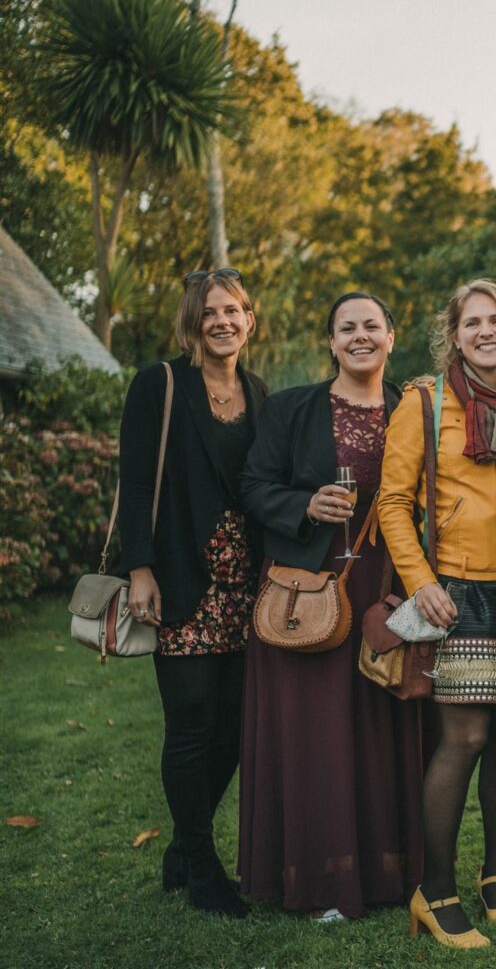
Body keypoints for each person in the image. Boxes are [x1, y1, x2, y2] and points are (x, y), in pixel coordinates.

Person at [376, 279, 496, 949]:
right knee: (465, 738)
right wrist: (421, 581)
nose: (486, 332)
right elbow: (392, 503)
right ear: (454, 336)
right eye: (472, 323)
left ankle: (495, 876)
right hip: (457, 589)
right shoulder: (425, 402)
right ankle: (434, 890)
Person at [238, 291, 423, 921]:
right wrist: (304, 506)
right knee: (316, 732)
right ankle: (321, 880)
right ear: (331, 342)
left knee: (380, 721)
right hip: (309, 588)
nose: (360, 336)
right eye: (347, 328)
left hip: (388, 584)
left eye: (372, 326)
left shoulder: (416, 408)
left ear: (391, 337)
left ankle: (390, 872)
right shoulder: (290, 408)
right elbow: (253, 485)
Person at [117, 268, 268, 918]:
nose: (222, 321)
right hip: (182, 578)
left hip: (244, 585)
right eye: (210, 312)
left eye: (233, 310)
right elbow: (133, 479)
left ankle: (183, 848)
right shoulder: (160, 384)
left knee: (233, 728)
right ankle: (204, 871)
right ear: (192, 322)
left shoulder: (259, 393)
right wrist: (140, 568)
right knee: (190, 725)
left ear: (249, 320)